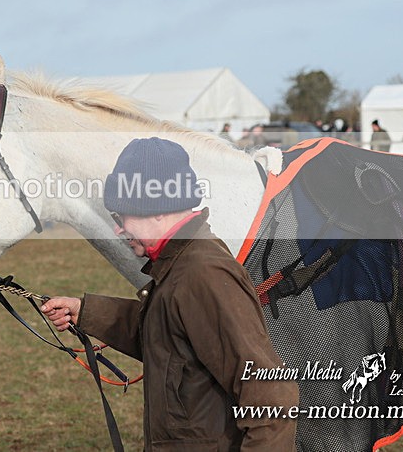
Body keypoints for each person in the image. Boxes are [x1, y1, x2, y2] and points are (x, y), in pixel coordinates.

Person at [41, 137, 298, 450]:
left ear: (156, 208)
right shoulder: (181, 264)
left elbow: (272, 398)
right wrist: (86, 311)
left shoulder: (203, 273)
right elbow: (169, 335)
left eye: (121, 216)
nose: (118, 230)